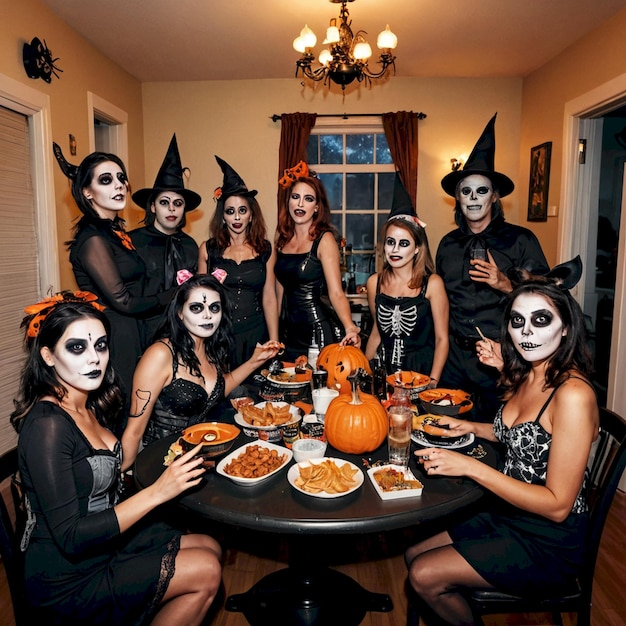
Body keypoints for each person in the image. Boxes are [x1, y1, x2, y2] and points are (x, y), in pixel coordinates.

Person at [405, 256, 599, 626]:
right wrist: (470, 429)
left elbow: (558, 505)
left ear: (565, 328)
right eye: (517, 320)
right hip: (508, 515)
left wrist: (471, 467)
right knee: (414, 553)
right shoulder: (532, 371)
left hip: (549, 540)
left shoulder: (573, 394)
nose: (526, 332)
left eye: (542, 320)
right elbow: (521, 435)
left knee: (424, 575)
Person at [10, 292, 222, 625]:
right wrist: (158, 492)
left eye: (101, 345)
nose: (94, 358)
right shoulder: (47, 426)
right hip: (67, 577)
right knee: (206, 571)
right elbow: (72, 537)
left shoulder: (88, 403)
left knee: (210, 546)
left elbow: (112, 469)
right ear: (49, 356)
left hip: (105, 546)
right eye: (77, 347)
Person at [436, 113, 549, 422]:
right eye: (465, 191)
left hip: (501, 359)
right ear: (457, 199)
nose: (473, 198)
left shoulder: (521, 240)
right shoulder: (447, 244)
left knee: (499, 434)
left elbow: (549, 301)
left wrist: (505, 284)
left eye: (481, 191)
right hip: (453, 361)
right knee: (447, 428)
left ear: (495, 196)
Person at [53, 144, 175, 406]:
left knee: (140, 409)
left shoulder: (114, 234)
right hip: (115, 335)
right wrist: (173, 295)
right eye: (106, 180)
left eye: (121, 178)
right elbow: (124, 301)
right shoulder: (93, 239)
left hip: (133, 330)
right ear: (87, 192)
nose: (119, 185)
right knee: (125, 412)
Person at [121, 272, 284, 469]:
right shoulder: (160, 354)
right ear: (180, 312)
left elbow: (216, 390)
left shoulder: (211, 350)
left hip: (200, 459)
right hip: (161, 462)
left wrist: (254, 362)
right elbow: (134, 432)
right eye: (197, 308)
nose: (207, 315)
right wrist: (122, 481)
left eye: (214, 308)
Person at [365, 174, 449, 384]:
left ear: (417, 249)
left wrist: (433, 381)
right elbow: (377, 331)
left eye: (403, 244)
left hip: (422, 373)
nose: (394, 249)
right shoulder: (374, 282)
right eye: (390, 242)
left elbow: (442, 339)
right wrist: (364, 371)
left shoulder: (432, 284)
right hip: (385, 373)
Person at [274, 161, 361, 362]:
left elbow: (336, 292)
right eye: (295, 197)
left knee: (319, 391)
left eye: (308, 199)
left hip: (317, 333)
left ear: (317, 207)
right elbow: (279, 295)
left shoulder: (324, 239)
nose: (300, 204)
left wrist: (350, 326)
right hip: (288, 333)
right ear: (288, 202)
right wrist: (274, 333)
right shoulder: (281, 240)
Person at [198, 156, 278, 369]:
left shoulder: (265, 249)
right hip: (219, 336)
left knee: (258, 397)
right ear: (222, 216)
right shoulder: (208, 249)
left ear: (251, 215)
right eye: (230, 211)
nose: (237, 217)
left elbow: (270, 296)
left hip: (255, 334)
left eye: (242, 210)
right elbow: (198, 299)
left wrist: (274, 340)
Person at [130, 134, 201, 348]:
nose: (172, 209)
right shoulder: (133, 241)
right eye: (164, 202)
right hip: (143, 332)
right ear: (152, 207)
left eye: (178, 203)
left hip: (183, 333)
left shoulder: (190, 245)